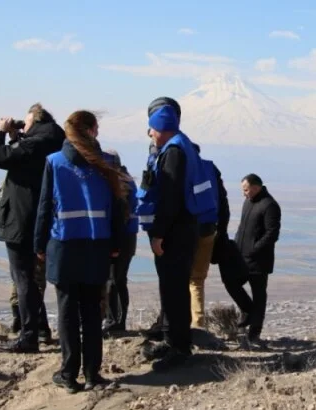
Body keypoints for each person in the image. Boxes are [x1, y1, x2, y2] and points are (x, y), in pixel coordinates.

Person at [35, 110, 129, 393]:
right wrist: (115, 245)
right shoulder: (105, 164)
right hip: (97, 246)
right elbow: (117, 209)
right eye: (96, 128)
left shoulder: (55, 162)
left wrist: (39, 245)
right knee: (91, 311)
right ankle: (92, 374)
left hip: (64, 247)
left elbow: (44, 208)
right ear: (89, 130)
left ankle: (68, 374)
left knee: (66, 312)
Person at [136, 105, 217, 371]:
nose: (149, 133)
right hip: (185, 227)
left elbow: (170, 198)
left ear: (161, 127)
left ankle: (179, 348)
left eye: (152, 128)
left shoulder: (173, 152)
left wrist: (158, 233)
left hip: (176, 231)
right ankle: (172, 339)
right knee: (173, 288)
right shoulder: (183, 146)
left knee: (174, 289)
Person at [0, 103, 65, 353]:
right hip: (38, 219)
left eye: (26, 122)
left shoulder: (36, 143)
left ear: (37, 120)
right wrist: (17, 138)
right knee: (28, 278)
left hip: (22, 219)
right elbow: (23, 160)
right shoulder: (51, 140)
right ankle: (39, 328)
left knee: (23, 278)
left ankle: (29, 337)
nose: (23, 125)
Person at [234, 173, 282, 345]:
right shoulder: (248, 202)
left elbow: (272, 234)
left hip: (259, 261)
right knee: (231, 282)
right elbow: (242, 227)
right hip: (241, 257)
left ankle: (254, 334)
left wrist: (254, 249)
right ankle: (247, 311)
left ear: (256, 187)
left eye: (246, 190)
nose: (244, 193)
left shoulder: (270, 205)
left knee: (259, 296)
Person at [101, 149, 139, 335]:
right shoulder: (123, 179)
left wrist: (114, 242)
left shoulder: (120, 182)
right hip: (124, 237)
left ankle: (115, 322)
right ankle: (114, 320)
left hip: (121, 237)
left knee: (115, 280)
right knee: (115, 280)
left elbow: (119, 215)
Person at [189, 142, 220, 329]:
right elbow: (221, 200)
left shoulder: (183, 168)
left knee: (182, 277)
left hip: (187, 230)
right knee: (197, 279)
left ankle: (179, 322)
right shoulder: (210, 168)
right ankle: (198, 323)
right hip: (209, 229)